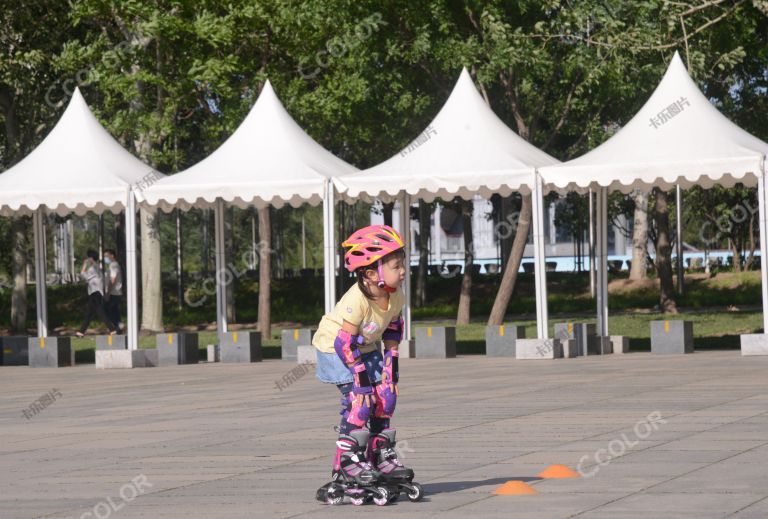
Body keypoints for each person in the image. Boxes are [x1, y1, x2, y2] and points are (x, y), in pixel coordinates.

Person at [313, 224, 421, 504]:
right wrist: (361, 380)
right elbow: (342, 343)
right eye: (397, 266)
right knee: (359, 402)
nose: (403, 271)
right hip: (334, 348)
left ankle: (378, 456)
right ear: (372, 274)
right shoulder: (357, 299)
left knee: (384, 399)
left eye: (402, 264)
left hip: (365, 346)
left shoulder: (395, 294)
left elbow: (394, 331)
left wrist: (390, 374)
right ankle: (348, 463)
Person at [76, 249, 116, 337]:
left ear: (90, 259)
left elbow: (82, 276)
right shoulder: (98, 267)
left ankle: (112, 329)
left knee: (100, 312)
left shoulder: (92, 269)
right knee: (90, 313)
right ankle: (81, 332)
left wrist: (84, 265)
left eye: (87, 258)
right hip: (96, 292)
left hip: (95, 293)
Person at [103, 249, 123, 333]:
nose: (105, 258)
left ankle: (118, 326)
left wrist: (108, 293)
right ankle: (118, 329)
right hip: (114, 292)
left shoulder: (113, 265)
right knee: (114, 312)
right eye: (104, 256)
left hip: (114, 293)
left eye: (107, 256)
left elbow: (113, 280)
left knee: (108, 311)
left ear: (112, 255)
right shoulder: (112, 265)